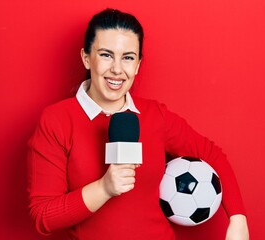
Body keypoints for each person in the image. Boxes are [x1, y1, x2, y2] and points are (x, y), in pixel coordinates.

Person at [27, 8, 249, 240]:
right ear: (86, 58)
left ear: (138, 65)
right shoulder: (56, 120)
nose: (117, 69)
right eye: (106, 55)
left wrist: (238, 220)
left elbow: (212, 155)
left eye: (128, 57)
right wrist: (104, 188)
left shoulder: (155, 115)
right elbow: (44, 216)